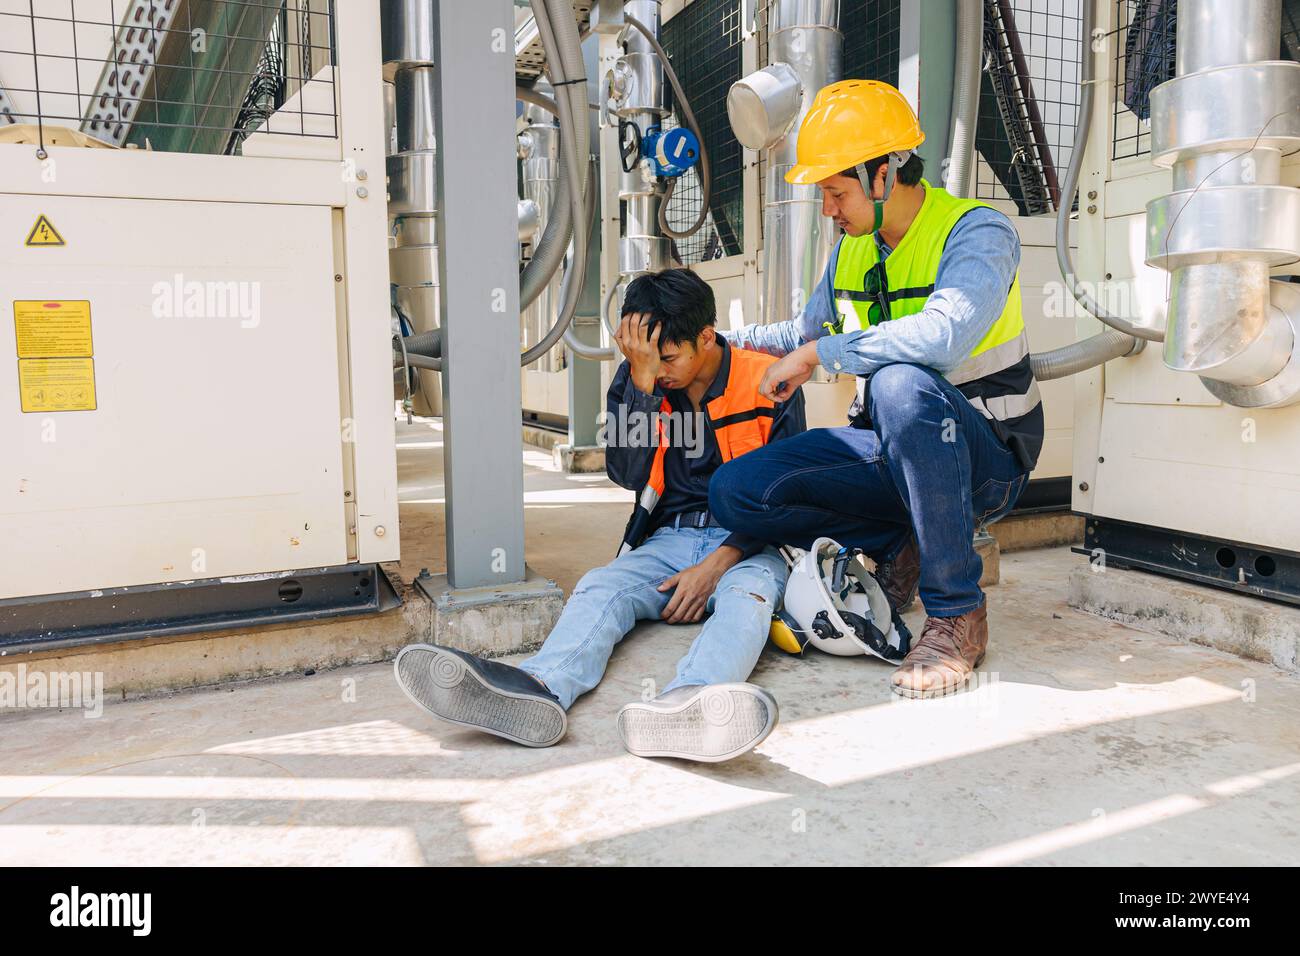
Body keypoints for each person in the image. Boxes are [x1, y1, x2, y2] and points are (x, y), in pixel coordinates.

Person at [710, 79, 1042, 699]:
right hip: (894, 453)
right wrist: (721, 341)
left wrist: (822, 354)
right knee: (735, 492)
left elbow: (942, 339)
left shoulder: (977, 232)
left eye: (836, 192)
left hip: (987, 459)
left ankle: (956, 614)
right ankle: (903, 543)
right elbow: (802, 331)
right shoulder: (851, 252)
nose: (829, 209)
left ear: (884, 174)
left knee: (898, 385)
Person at [395, 268, 806, 762]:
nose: (660, 370)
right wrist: (642, 383)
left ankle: (691, 704)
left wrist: (716, 566)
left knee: (747, 599)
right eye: (644, 357)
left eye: (667, 358)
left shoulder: (770, 381)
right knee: (600, 586)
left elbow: (786, 499)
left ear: (705, 336)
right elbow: (628, 473)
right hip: (668, 541)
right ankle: (538, 688)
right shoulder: (642, 376)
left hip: (751, 543)